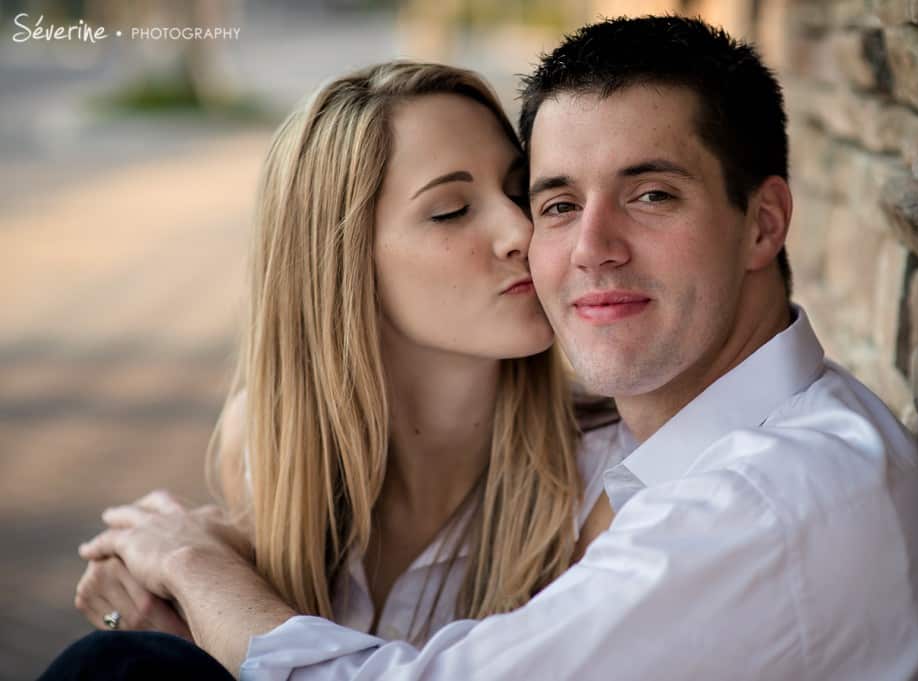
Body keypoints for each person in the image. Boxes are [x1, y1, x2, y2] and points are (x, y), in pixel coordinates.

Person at [50, 15, 918, 681]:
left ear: (763, 222)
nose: (570, 247)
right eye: (558, 201)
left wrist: (200, 573)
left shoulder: (761, 502)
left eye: (652, 195)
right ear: (339, 272)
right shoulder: (667, 467)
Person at [53, 61, 622, 675]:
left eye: (518, 191)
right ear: (342, 263)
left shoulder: (608, 485)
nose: (520, 230)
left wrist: (197, 572)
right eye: (452, 210)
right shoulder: (268, 442)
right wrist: (149, 603)